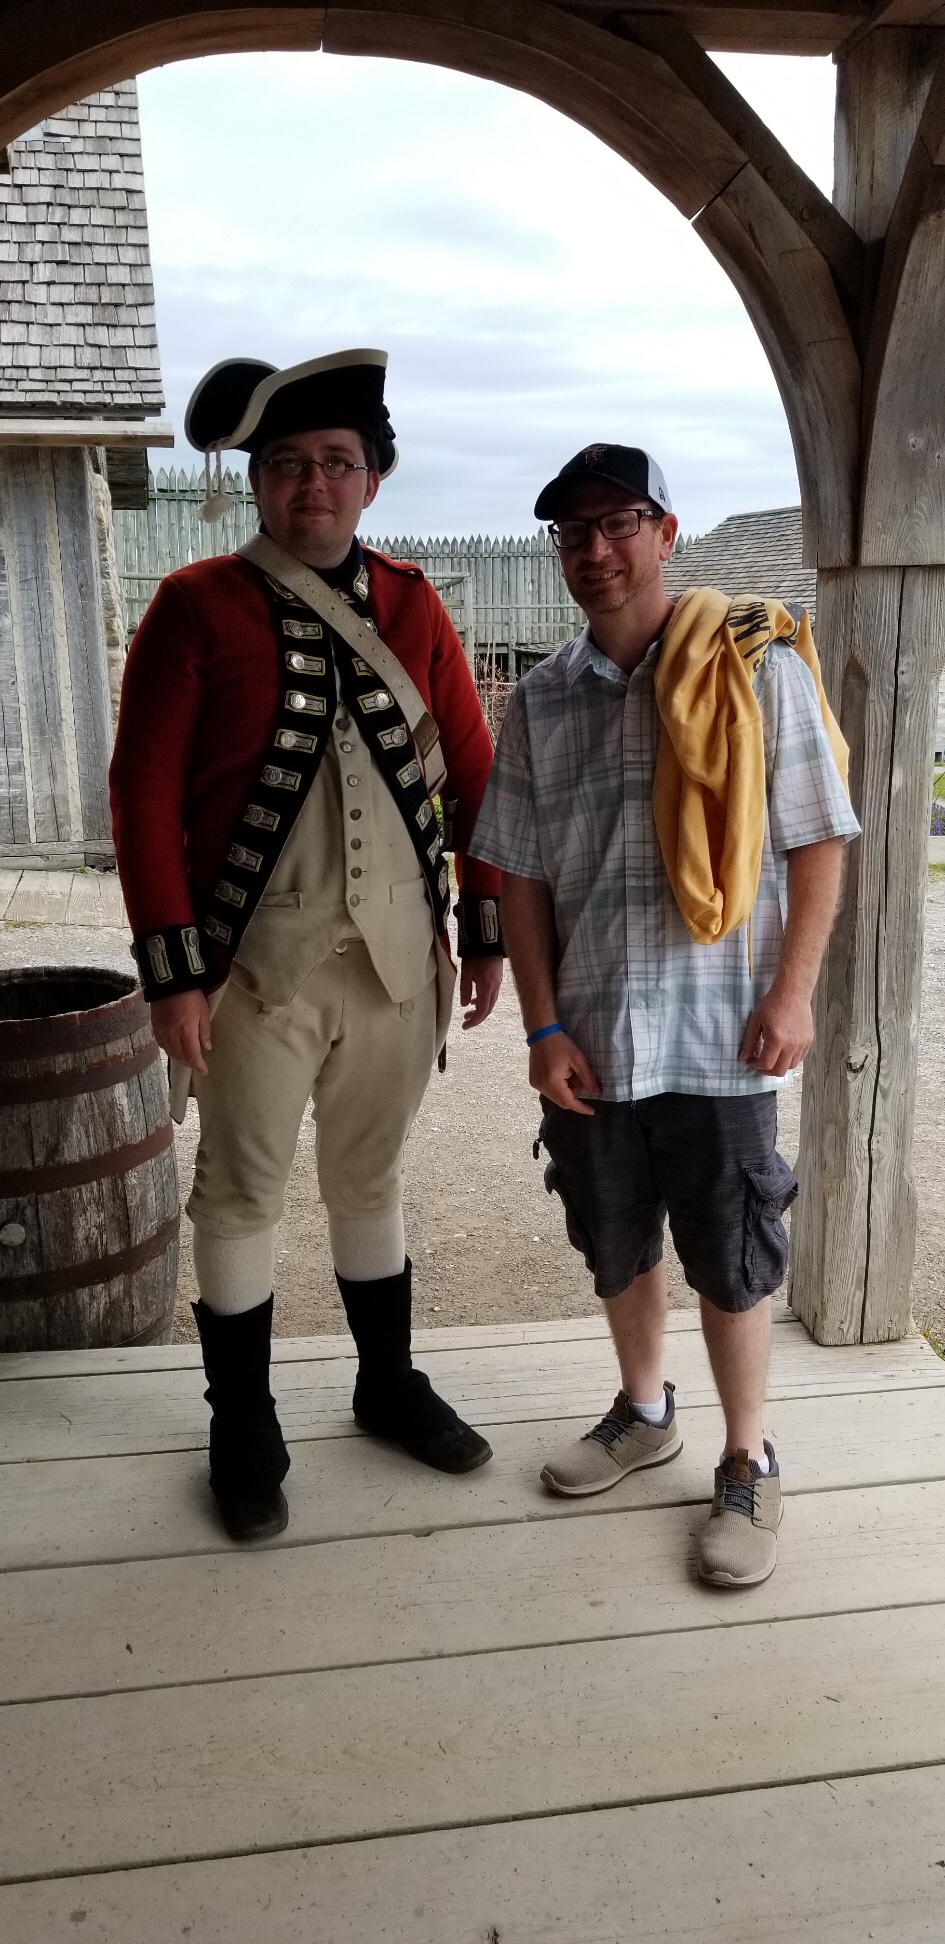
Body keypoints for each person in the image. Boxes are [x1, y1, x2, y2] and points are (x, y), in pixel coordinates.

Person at [110, 349, 504, 1542]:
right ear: (256, 482)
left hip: (397, 967)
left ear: (373, 479)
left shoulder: (415, 604)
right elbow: (143, 794)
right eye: (287, 463)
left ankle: (386, 1385)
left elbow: (476, 775)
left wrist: (483, 927)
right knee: (239, 1194)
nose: (314, 484)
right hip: (253, 975)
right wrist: (174, 973)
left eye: (337, 461)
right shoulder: (195, 606)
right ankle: (242, 1425)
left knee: (370, 1179)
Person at [470, 443, 859, 1587]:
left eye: (619, 524)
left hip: (724, 1033)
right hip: (592, 1037)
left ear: (665, 535)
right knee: (614, 1237)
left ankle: (747, 1456)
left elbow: (819, 838)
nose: (594, 550)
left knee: (732, 1251)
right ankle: (645, 1412)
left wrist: (792, 993)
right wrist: (542, 1028)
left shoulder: (752, 669)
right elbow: (521, 878)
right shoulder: (541, 702)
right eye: (572, 532)